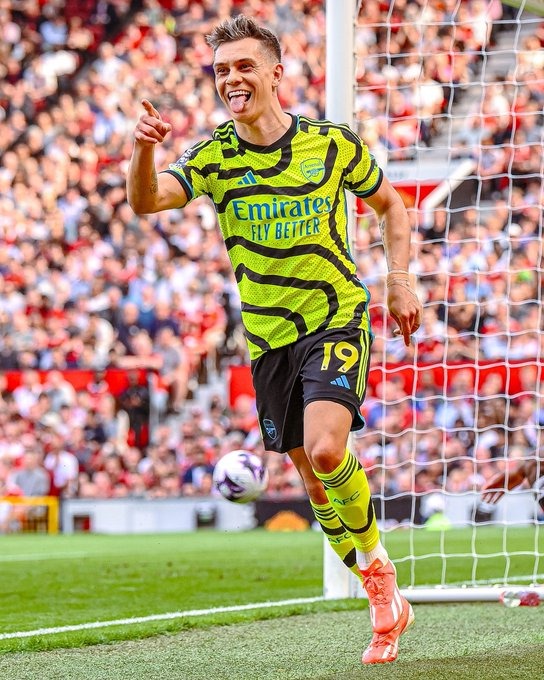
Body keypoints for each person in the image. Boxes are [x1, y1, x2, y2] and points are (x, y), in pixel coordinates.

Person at [127, 15, 422, 665]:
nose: (232, 79)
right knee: (316, 489)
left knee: (326, 450)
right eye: (222, 70)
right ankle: (383, 595)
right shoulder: (213, 156)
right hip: (268, 343)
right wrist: (142, 148)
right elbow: (147, 201)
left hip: (335, 317)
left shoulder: (331, 144)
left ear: (276, 73)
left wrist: (399, 281)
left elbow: (392, 207)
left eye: (244, 66)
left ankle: (379, 580)